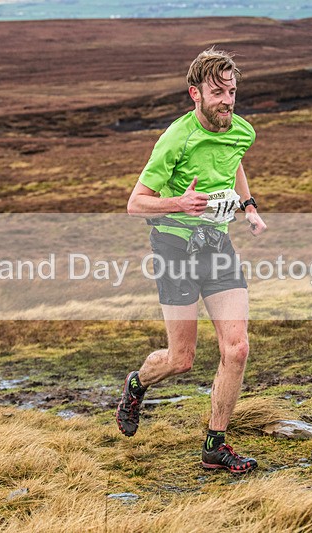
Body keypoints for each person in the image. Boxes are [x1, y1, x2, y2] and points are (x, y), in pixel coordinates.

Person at [116, 47, 267, 474]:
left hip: (216, 246)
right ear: (194, 94)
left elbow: (233, 162)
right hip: (174, 249)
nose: (227, 101)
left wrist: (248, 205)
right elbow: (135, 204)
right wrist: (179, 203)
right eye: (217, 92)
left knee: (236, 349)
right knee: (181, 359)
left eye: (232, 91)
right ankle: (136, 384)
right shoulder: (176, 138)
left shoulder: (242, 130)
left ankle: (215, 445)